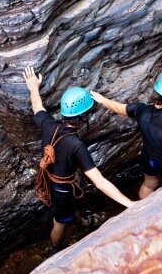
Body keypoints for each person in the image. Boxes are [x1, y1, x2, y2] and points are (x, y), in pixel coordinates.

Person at [23, 66, 135, 249]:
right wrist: (129, 203)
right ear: (84, 116)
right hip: (63, 192)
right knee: (60, 221)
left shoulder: (49, 125)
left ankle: (80, 221)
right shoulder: (76, 146)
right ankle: (55, 248)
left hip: (52, 183)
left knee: (67, 212)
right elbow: (99, 182)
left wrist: (33, 88)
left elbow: (38, 107)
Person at [91, 72, 162, 199]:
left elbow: (117, 108)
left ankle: (141, 208)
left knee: (148, 185)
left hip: (147, 159)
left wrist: (102, 99)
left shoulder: (140, 109)